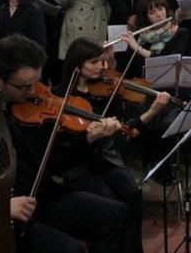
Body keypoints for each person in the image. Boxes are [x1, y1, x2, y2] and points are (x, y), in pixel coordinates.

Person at [0, 34, 131, 253]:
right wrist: (0, 207)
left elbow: (55, 161)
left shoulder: (33, 108)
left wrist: (88, 140)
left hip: (42, 199)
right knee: (70, 249)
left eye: (35, 83)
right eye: (24, 87)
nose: (32, 92)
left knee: (116, 214)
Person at [52, 37, 171, 253]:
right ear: (77, 65)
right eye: (95, 62)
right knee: (108, 203)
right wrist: (89, 137)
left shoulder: (107, 92)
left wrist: (152, 112)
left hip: (105, 158)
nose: (102, 66)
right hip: (78, 164)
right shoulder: (60, 95)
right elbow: (59, 145)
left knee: (133, 194)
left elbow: (127, 129)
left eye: (102, 61)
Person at [119, 0, 190, 80]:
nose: (159, 15)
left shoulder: (180, 33)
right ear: (145, 17)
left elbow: (167, 62)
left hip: (167, 87)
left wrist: (138, 49)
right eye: (152, 13)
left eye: (161, 9)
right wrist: (110, 59)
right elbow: (125, 71)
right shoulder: (139, 36)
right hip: (140, 86)